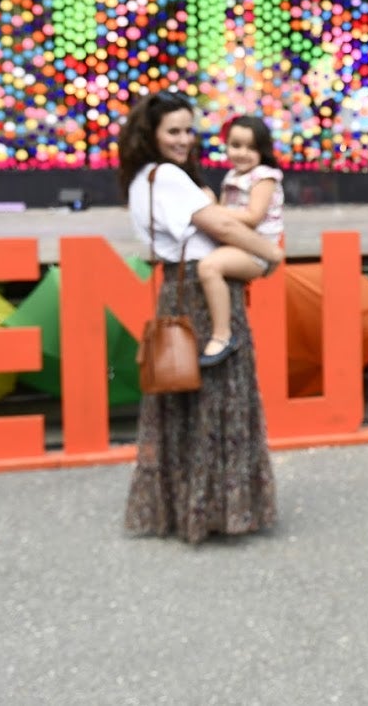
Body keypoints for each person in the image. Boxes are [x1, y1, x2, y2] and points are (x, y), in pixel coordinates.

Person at [117, 89, 283, 544]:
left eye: (189, 130)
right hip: (200, 296)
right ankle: (216, 511)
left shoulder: (143, 179)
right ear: (150, 135)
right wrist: (270, 255)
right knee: (217, 399)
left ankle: (188, 506)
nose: (184, 139)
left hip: (178, 290)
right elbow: (226, 226)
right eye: (174, 131)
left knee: (184, 403)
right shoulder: (167, 176)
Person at [196, 116, 285, 366]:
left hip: (258, 252)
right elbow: (225, 214)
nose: (242, 153)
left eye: (251, 147)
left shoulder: (264, 176)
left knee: (209, 267)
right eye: (236, 145)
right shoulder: (232, 176)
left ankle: (223, 336)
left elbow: (253, 217)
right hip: (237, 244)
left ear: (262, 150)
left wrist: (212, 210)